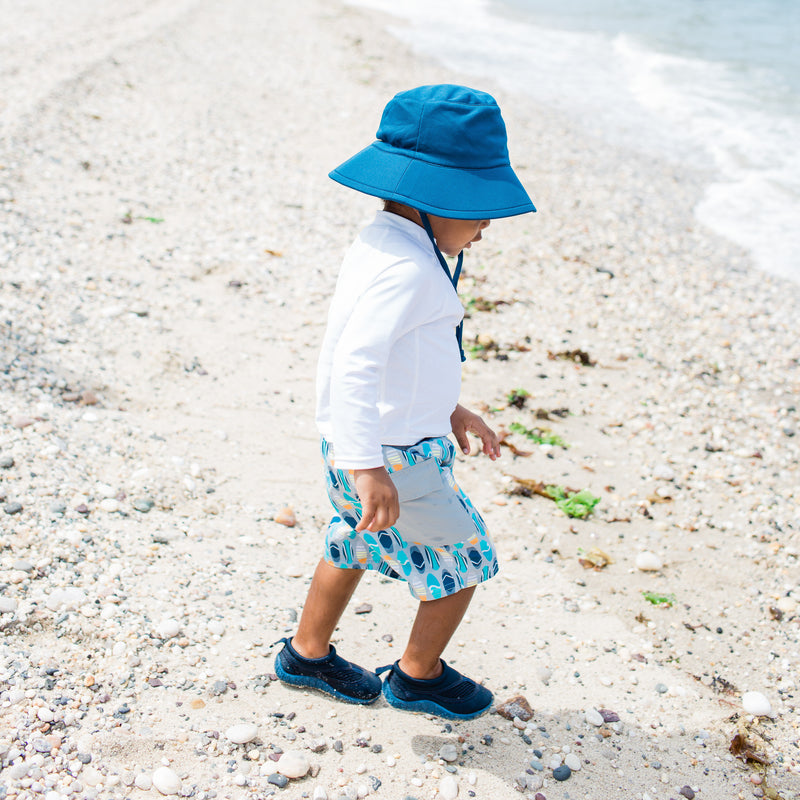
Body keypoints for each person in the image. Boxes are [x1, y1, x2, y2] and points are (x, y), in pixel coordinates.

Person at [274, 84, 536, 719]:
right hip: (391, 458)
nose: (486, 226)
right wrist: (370, 468)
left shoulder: (383, 242)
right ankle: (419, 674)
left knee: (353, 540)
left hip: (357, 444)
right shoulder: (411, 270)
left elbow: (404, 358)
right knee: (467, 555)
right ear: (433, 196)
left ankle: (307, 653)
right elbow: (357, 364)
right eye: (478, 208)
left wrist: (451, 408)